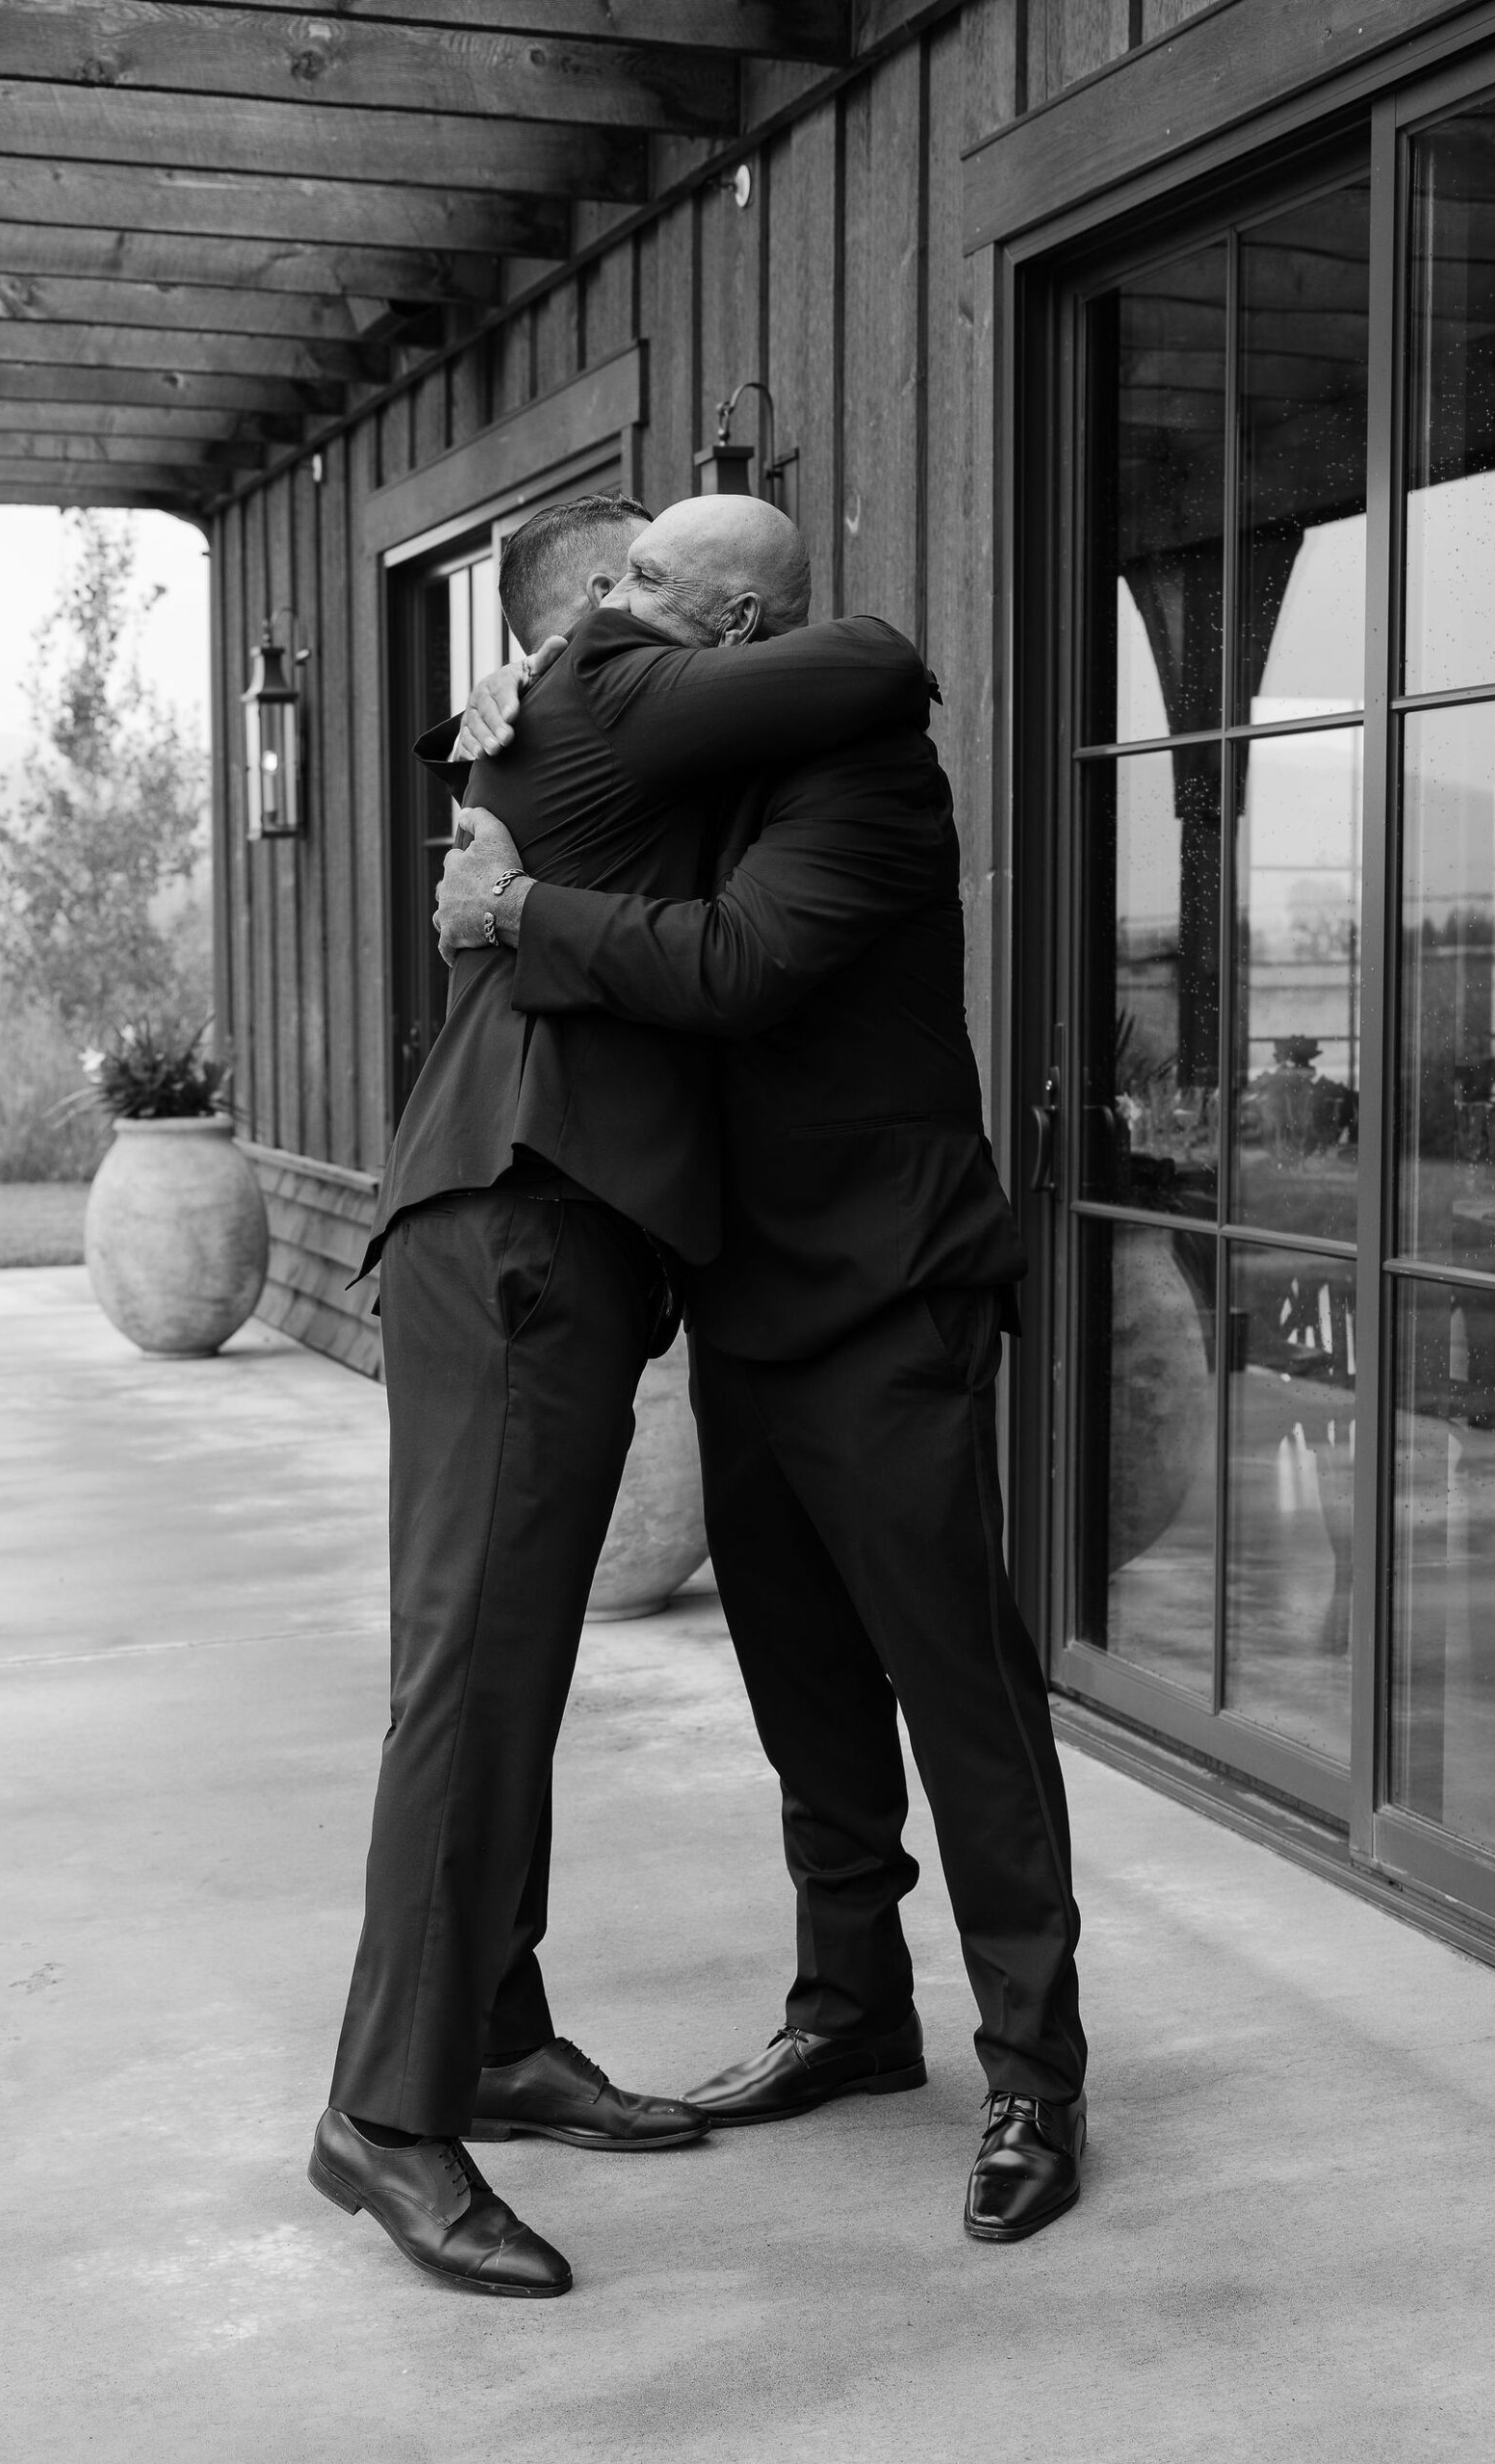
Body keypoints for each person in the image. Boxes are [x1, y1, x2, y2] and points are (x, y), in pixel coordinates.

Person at [434, 523, 1089, 2248]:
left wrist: (513, 907)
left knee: (959, 1689)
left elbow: (732, 965)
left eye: (651, 593)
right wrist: (497, 702)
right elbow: (560, 763)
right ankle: (850, 2013)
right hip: (744, 1293)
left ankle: (1033, 2068)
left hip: (889, 1291)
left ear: (733, 630)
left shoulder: (871, 775)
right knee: (802, 1682)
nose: (611, 618)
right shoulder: (681, 750)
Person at [312, 492, 931, 2297]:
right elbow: (888, 659)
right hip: (518, 1220)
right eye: (620, 576)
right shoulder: (622, 680)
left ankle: (494, 2040)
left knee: (509, 1666)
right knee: (475, 1678)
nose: (623, 601)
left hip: (549, 1233)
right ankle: (388, 2117)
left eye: (655, 578)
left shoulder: (569, 715)